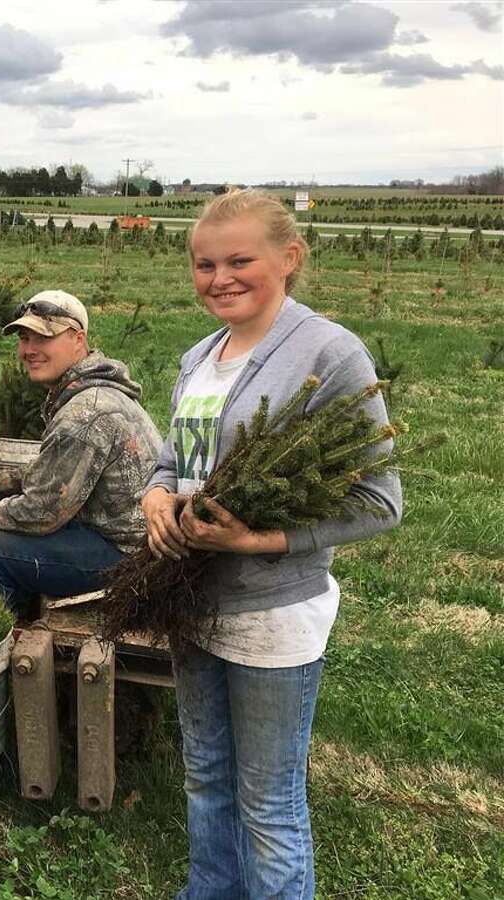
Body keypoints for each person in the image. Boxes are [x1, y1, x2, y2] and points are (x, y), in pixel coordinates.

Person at [142, 189, 402, 900]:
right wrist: (156, 496)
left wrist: (258, 539)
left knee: (268, 802)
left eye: (239, 261)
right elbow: (172, 461)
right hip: (190, 600)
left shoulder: (329, 353)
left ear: (289, 257)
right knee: (205, 777)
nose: (219, 278)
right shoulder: (199, 357)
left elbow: (380, 501)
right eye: (204, 265)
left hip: (272, 614)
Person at [0, 289, 163, 617]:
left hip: (125, 556)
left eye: (43, 338)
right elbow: (60, 474)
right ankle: (16, 618)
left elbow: (42, 512)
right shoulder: (95, 392)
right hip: (117, 539)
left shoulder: (86, 413)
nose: (29, 350)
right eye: (24, 338)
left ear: (78, 339)